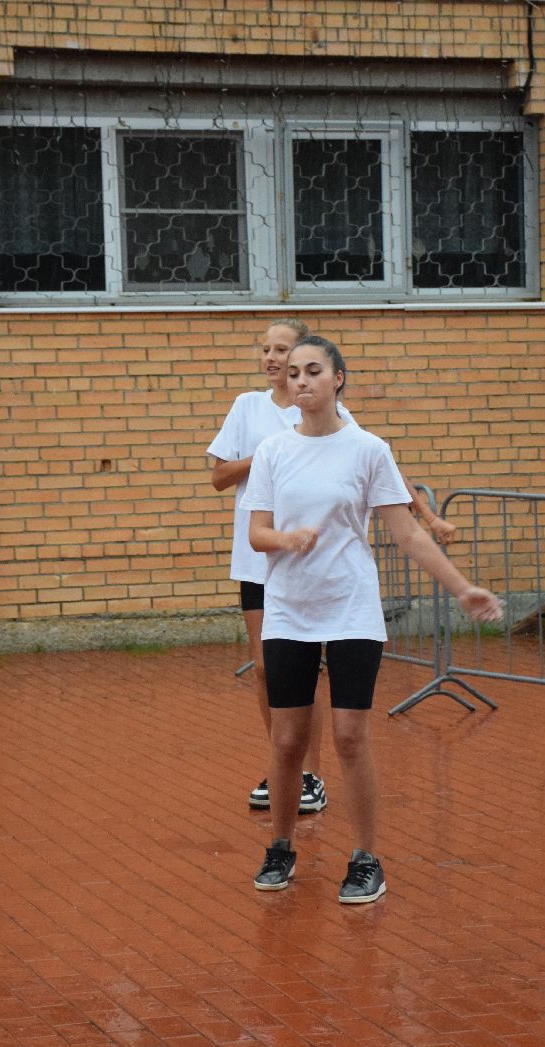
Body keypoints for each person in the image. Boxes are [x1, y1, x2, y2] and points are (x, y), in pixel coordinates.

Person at [244, 335, 503, 903]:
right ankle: (281, 845)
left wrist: (461, 588)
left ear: (339, 378)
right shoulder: (273, 452)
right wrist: (286, 539)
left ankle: (365, 859)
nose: (302, 380)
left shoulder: (368, 449)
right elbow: (256, 533)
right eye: (293, 373)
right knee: (287, 740)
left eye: (314, 370)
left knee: (349, 736)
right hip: (289, 611)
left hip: (350, 610)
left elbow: (407, 532)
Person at [208, 319, 457, 816]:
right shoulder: (250, 409)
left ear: (330, 373)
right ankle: (288, 763)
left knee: (325, 691)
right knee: (265, 673)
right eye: (268, 351)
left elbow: (381, 468)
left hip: (322, 570)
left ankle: (311, 776)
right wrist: (269, 458)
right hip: (262, 556)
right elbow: (219, 476)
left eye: (286, 351)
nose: (274, 360)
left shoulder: (335, 415)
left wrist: (426, 515)